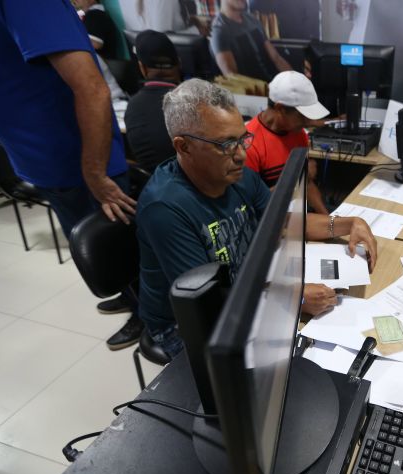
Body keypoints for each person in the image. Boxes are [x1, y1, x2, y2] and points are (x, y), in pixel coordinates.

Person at [137, 79, 377, 358]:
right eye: (226, 144)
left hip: (246, 287)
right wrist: (293, 297)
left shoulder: (235, 175)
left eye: (242, 139)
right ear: (184, 146)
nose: (241, 154)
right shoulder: (164, 209)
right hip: (186, 325)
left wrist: (348, 224)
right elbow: (209, 303)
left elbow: (283, 222)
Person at [0, 0, 142, 350]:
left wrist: (95, 173)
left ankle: (149, 315)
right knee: (109, 256)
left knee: (118, 249)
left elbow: (92, 89)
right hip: (52, 164)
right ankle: (131, 298)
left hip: (79, 166)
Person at [245, 71, 330, 214]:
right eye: (302, 117)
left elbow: (307, 184)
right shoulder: (249, 146)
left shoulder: (298, 134)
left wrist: (327, 218)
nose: (308, 122)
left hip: (293, 216)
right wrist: (296, 179)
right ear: (280, 109)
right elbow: (251, 205)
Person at [124, 30, 181, 173]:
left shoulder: (133, 106)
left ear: (142, 67)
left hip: (155, 188)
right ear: (179, 63)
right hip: (197, 188)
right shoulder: (194, 101)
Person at [210, 0, 292, 81]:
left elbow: (276, 58)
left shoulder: (252, 19)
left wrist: (295, 79)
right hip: (254, 90)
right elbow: (232, 76)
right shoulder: (219, 30)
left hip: (274, 82)